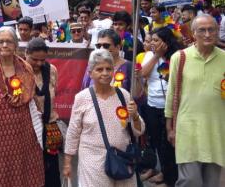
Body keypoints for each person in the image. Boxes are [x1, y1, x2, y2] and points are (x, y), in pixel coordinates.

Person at [0, 26, 45, 187]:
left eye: (9, 42)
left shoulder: (26, 68)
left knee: (27, 177)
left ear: (16, 45)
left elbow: (32, 98)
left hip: (26, 135)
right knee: (2, 179)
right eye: (1, 41)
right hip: (0, 139)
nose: (5, 45)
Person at [63, 49, 145, 187]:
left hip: (122, 159)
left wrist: (135, 115)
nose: (105, 73)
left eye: (108, 69)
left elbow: (139, 130)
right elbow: (73, 132)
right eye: (99, 69)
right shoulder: (82, 98)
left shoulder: (123, 95)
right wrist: (67, 162)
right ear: (90, 73)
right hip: (92, 162)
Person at [165, 14, 225, 187]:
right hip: (187, 129)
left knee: (212, 183)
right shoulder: (180, 57)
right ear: (193, 33)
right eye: (202, 30)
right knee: (190, 180)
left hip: (216, 130)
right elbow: (172, 93)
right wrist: (170, 126)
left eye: (211, 29)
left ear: (217, 31)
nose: (207, 34)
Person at [140, 27, 182, 186]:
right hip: (152, 105)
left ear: (166, 42)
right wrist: (156, 55)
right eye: (151, 40)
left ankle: (172, 177)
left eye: (156, 40)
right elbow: (143, 74)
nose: (152, 43)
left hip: (171, 108)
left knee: (170, 145)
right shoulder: (150, 55)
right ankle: (164, 172)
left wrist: (164, 58)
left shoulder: (176, 56)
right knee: (157, 142)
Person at [25, 38, 61, 187]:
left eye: (42, 60)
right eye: (35, 60)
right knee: (31, 168)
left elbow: (54, 92)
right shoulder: (20, 71)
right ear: (26, 54)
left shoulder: (52, 70)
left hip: (50, 126)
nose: (39, 64)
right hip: (28, 129)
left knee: (52, 168)